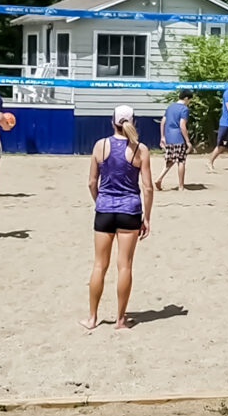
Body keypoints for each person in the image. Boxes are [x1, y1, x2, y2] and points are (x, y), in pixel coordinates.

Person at [81, 105, 154, 331]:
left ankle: (92, 318)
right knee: (124, 267)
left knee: (99, 265)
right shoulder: (140, 149)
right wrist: (147, 217)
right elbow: (148, 188)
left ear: (112, 122)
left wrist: (99, 201)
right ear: (134, 122)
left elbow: (92, 182)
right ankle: (120, 320)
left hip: (105, 210)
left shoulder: (100, 145)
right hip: (129, 211)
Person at [157, 89, 194, 191]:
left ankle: (159, 178)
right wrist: (187, 141)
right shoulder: (184, 109)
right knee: (181, 161)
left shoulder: (170, 107)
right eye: (189, 100)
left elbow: (163, 122)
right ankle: (181, 186)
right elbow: (182, 125)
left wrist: (162, 136)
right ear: (186, 98)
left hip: (169, 136)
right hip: (178, 137)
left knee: (171, 160)